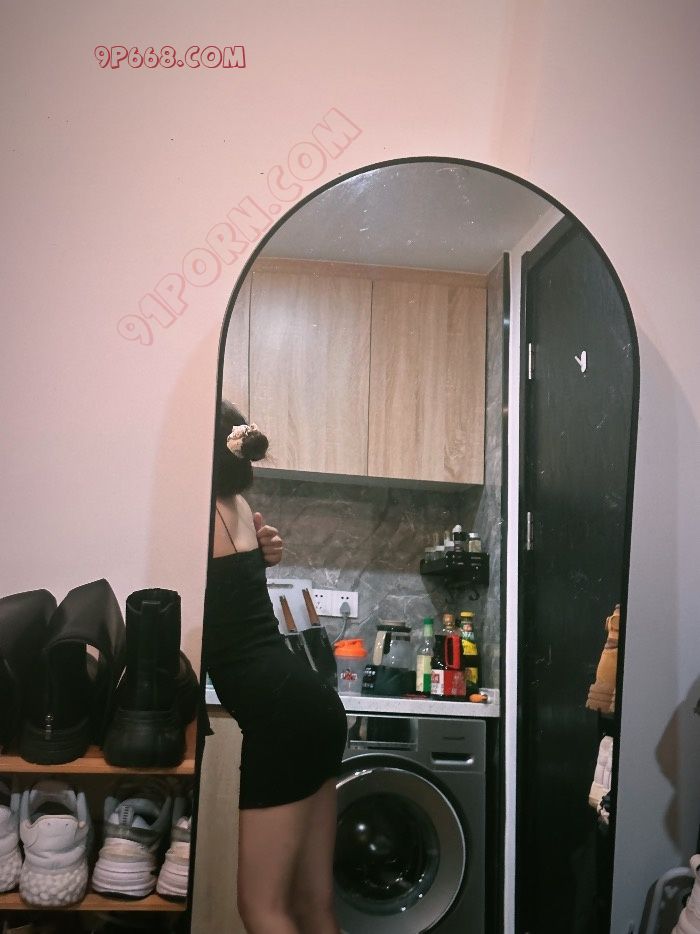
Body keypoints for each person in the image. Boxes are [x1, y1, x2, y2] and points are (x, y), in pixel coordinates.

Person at [203, 401, 347, 934]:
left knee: (262, 909)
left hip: (281, 717)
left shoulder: (194, 512)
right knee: (313, 905)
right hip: (312, 705)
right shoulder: (236, 505)